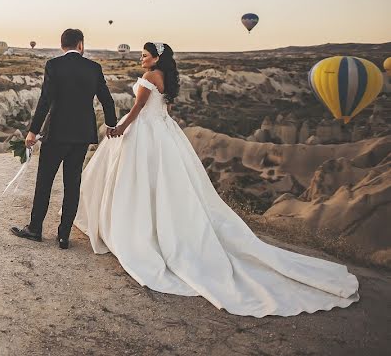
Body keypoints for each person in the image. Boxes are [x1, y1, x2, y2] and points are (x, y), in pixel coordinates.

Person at [74, 41, 359, 316]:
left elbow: (136, 110)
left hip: (145, 133)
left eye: (146, 55)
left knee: (135, 182)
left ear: (157, 58)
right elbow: (162, 110)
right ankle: (156, 225)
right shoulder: (166, 77)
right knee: (162, 185)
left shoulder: (150, 76)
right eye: (142, 55)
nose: (142, 58)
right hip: (163, 133)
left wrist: (119, 128)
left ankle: (133, 228)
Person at [11, 28, 117, 249]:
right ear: (81, 45)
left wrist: (33, 130)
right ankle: (63, 236)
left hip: (56, 133)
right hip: (81, 135)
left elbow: (45, 100)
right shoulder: (94, 68)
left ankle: (35, 229)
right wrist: (111, 125)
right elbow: (107, 99)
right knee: (72, 184)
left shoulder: (54, 66)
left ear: (62, 46)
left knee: (44, 183)